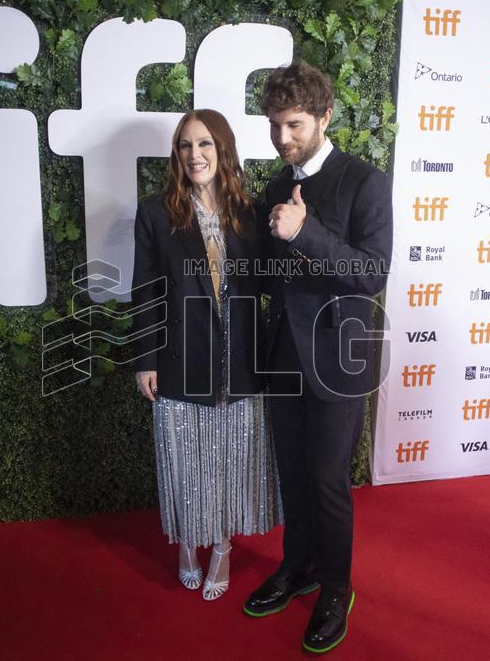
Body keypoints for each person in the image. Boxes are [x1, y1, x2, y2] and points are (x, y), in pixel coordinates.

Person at [243, 62, 392, 653]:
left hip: (338, 361)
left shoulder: (364, 181)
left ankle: (335, 587)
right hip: (283, 354)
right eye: (275, 125)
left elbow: (372, 274)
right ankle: (298, 566)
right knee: (294, 474)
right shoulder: (275, 186)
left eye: (294, 125)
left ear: (324, 117)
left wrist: (305, 231)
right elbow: (266, 273)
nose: (282, 138)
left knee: (328, 480)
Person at [131, 109, 280, 601]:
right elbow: (145, 290)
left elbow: (268, 284)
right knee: (186, 462)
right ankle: (186, 543)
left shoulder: (250, 213)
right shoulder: (156, 213)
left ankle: (221, 546)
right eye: (185, 145)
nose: (194, 155)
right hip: (181, 358)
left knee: (230, 462)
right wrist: (145, 359)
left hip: (241, 361)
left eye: (204, 144)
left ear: (223, 149)